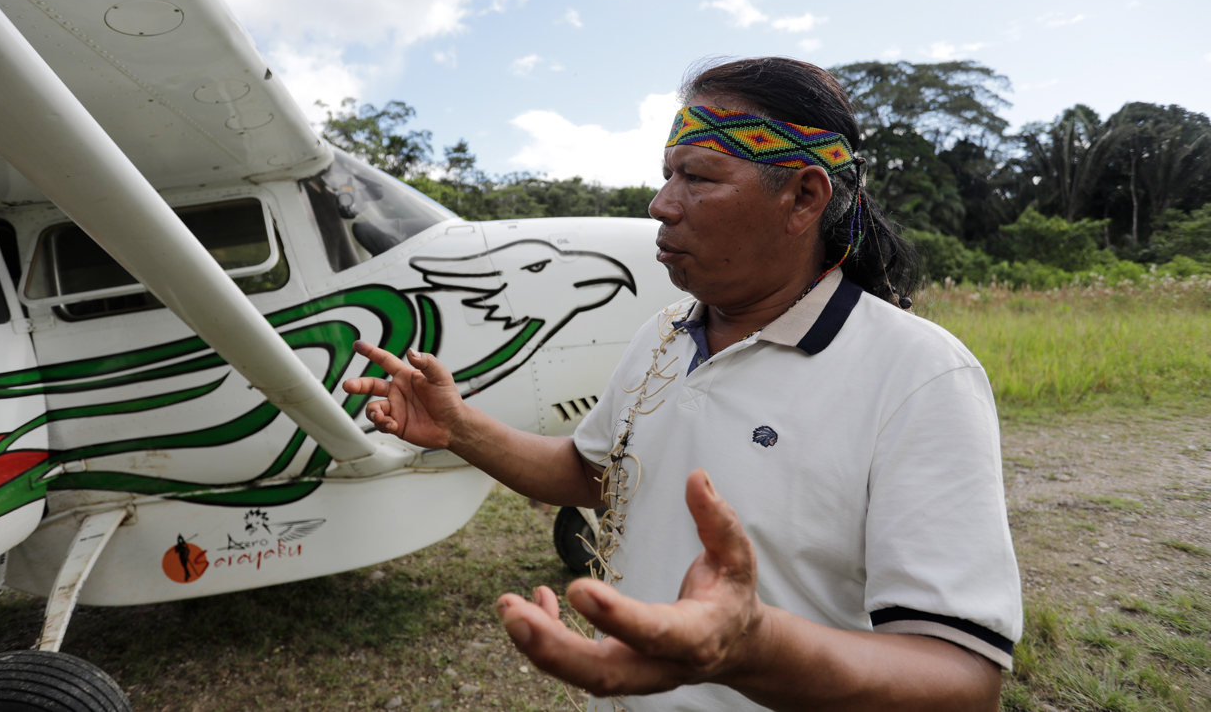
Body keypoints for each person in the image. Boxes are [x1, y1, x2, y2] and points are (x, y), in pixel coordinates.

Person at [343, 57, 1021, 711]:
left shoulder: (921, 376)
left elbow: (961, 682)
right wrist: (459, 425)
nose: (660, 203)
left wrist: (750, 648)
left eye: (697, 177)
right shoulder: (663, 333)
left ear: (803, 197)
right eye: (667, 175)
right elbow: (594, 475)